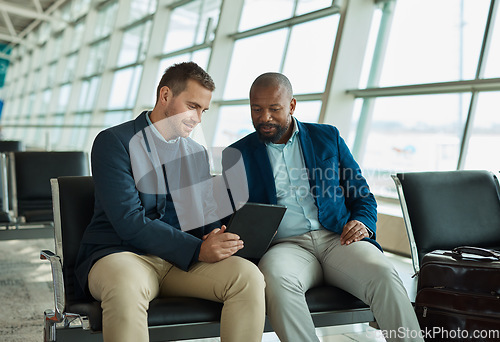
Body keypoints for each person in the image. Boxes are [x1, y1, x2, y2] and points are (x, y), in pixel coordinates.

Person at [222, 72, 423, 342]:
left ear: (292, 106)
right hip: (284, 247)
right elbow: (231, 217)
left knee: (384, 274)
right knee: (278, 282)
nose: (264, 117)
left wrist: (362, 222)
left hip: (339, 239)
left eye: (274, 109)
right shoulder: (237, 155)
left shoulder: (326, 137)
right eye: (256, 109)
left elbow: (362, 194)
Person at [74, 62, 266, 342]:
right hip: (122, 255)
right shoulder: (114, 142)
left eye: (203, 110)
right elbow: (129, 222)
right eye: (192, 106)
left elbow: (203, 216)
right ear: (165, 95)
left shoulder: (197, 153)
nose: (198, 118)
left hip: (180, 261)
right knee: (125, 286)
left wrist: (219, 236)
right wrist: (199, 250)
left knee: (248, 277)